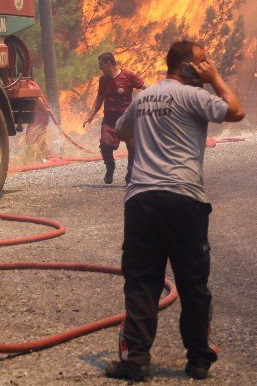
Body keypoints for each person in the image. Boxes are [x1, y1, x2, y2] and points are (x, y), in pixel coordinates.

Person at [104, 41, 245, 382]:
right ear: (185, 67)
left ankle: (136, 360)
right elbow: (236, 111)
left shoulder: (143, 97)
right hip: (184, 200)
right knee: (193, 282)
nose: (205, 65)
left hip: (141, 201)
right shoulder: (195, 96)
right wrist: (215, 78)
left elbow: (120, 130)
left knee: (141, 282)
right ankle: (198, 360)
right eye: (201, 62)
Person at [83, 52, 146, 184]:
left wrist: (148, 103)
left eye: (101, 65)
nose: (100, 68)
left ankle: (130, 175)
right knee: (105, 145)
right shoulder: (103, 80)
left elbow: (144, 88)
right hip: (110, 121)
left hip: (128, 121)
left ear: (108, 64)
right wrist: (91, 116)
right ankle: (110, 167)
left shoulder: (128, 76)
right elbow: (100, 98)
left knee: (134, 148)